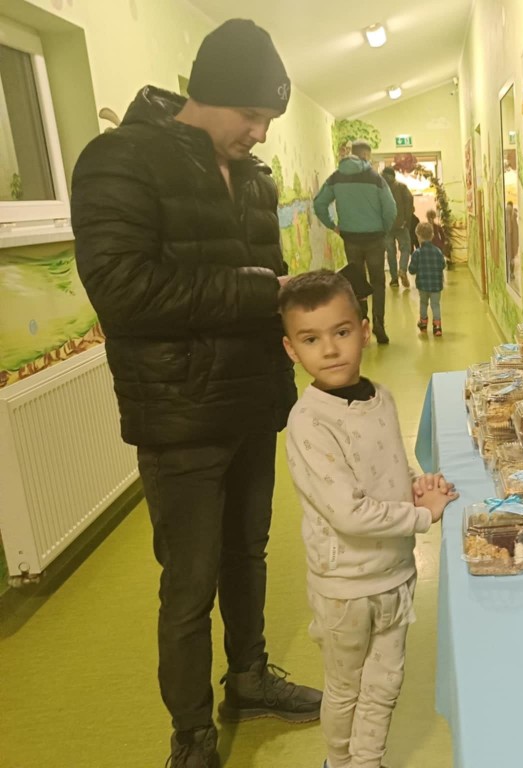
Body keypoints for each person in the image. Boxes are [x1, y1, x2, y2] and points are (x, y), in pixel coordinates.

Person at [69, 19, 321, 768]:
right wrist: (260, 291)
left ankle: (248, 678)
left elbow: (266, 289)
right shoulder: (119, 161)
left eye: (268, 120)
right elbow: (123, 292)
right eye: (251, 115)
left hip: (252, 404)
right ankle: (192, 735)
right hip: (178, 416)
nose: (260, 133)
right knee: (188, 584)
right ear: (207, 95)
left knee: (248, 554)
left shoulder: (255, 178)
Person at [278, 270, 459, 768]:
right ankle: (339, 762)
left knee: (384, 685)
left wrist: (415, 485)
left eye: (340, 332)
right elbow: (348, 512)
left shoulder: (381, 397)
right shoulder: (308, 423)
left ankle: (367, 761)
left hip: (394, 576)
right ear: (292, 349)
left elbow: (389, 465)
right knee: (346, 689)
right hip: (346, 589)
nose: (329, 350)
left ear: (362, 330)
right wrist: (420, 515)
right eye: (310, 339)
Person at [313, 140, 396, 344]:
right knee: (378, 282)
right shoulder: (375, 178)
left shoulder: (336, 177)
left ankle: (361, 325)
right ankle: (379, 324)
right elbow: (391, 209)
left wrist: (333, 226)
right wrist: (384, 229)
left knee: (357, 283)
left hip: (350, 237)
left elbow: (319, 203)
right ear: (365, 155)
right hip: (375, 237)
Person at [408, 221, 447, 337]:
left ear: (418, 237)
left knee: (423, 303)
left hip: (423, 285)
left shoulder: (417, 253)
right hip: (436, 285)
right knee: (435, 305)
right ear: (432, 235)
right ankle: (437, 327)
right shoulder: (438, 251)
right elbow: (443, 265)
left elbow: (411, 270)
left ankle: (423, 324)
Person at [381, 167, 414, 288]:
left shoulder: (380, 189)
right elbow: (409, 203)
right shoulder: (401, 187)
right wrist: (407, 221)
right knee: (405, 248)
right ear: (393, 175)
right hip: (401, 224)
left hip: (386, 226)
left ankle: (394, 279)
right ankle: (403, 269)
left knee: (390, 252)